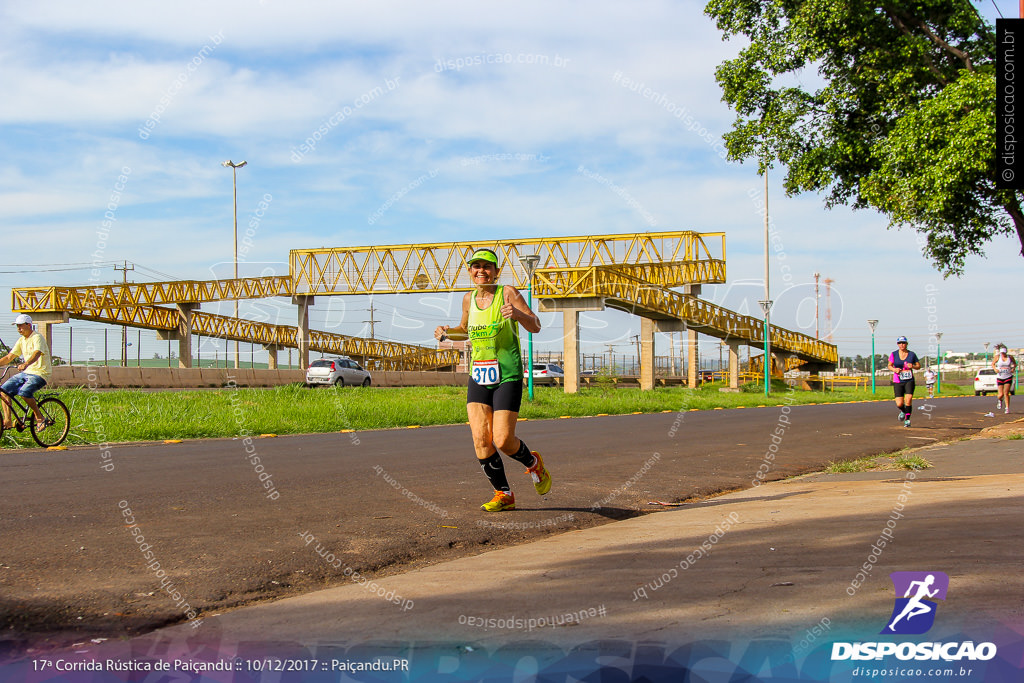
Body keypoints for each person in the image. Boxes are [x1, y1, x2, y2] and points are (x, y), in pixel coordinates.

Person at [434, 248, 550, 512]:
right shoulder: (468, 299)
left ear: (496, 272)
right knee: (480, 439)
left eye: (487, 267)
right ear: (470, 271)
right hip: (479, 374)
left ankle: (533, 463)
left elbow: (536, 325)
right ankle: (503, 493)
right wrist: (446, 332)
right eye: (476, 266)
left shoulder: (507, 293)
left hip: (507, 375)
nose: (481, 271)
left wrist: (518, 315)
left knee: (502, 439)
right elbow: (464, 331)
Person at [0, 314, 54, 430]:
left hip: (40, 373)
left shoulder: (37, 337)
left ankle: (39, 417)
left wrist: (26, 364)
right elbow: (9, 357)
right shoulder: (21, 340)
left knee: (24, 392)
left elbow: (37, 353)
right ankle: (8, 420)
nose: (19, 329)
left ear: (28, 325)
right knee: (4, 391)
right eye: (17, 326)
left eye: (21, 326)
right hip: (26, 373)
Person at [887, 336, 920, 427]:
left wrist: (912, 366)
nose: (902, 345)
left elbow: (918, 366)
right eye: (900, 343)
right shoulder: (894, 354)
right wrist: (894, 370)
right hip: (898, 380)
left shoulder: (912, 354)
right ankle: (903, 411)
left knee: (908, 400)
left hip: (909, 380)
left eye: (903, 343)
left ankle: (907, 420)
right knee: (899, 403)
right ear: (897, 344)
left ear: (907, 344)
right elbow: (889, 365)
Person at [992, 344, 1017, 415]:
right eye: (1002, 353)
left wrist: (1013, 369)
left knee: (1006, 393)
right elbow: (993, 364)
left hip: (1008, 376)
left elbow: (1015, 364)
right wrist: (995, 369)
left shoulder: (1010, 357)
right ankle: (1000, 400)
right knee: (1000, 394)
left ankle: (1007, 408)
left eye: (1004, 353)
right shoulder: (997, 357)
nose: (1003, 354)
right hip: (1000, 377)